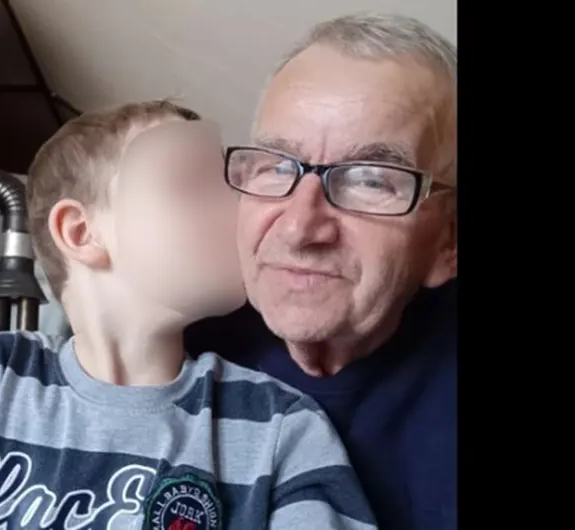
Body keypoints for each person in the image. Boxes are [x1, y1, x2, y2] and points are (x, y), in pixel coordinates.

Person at [0, 100, 378, 530]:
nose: (238, 211)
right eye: (190, 183)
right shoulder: (1, 375)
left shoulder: (281, 423)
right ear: (82, 233)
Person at [186, 13, 457, 530]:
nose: (299, 228)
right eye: (276, 165)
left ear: (449, 240)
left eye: (372, 180)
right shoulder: (178, 332)